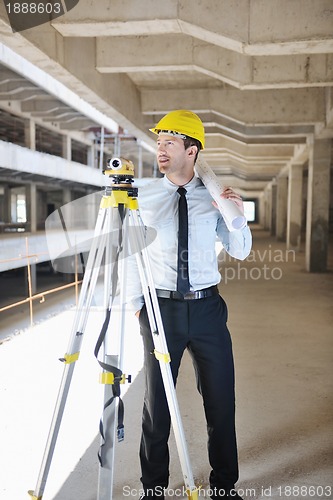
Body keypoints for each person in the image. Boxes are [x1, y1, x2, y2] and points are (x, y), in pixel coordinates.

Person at [127, 110, 252, 499]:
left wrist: (238, 218)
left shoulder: (213, 197)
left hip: (207, 309)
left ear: (191, 150)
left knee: (220, 399)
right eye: (158, 143)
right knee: (156, 404)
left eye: (169, 143)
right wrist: (138, 307)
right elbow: (131, 252)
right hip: (160, 310)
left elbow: (241, 252)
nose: (160, 150)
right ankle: (153, 487)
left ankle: (224, 485)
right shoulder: (144, 196)